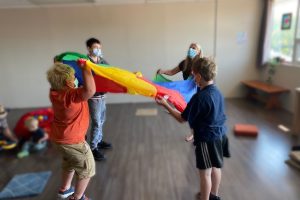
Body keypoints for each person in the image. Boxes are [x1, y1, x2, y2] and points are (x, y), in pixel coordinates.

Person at [156, 57, 226, 200]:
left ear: (199, 76)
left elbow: (182, 118)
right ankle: (214, 196)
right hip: (219, 136)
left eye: (194, 75)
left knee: (205, 174)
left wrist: (165, 104)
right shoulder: (218, 92)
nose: (193, 78)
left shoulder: (199, 97)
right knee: (215, 167)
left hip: (205, 140)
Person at [47, 60, 95, 200]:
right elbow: (90, 90)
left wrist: (58, 65)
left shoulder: (54, 93)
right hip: (74, 142)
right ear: (68, 83)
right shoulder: (72, 96)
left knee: (69, 163)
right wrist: (86, 69)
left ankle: (64, 189)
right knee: (87, 169)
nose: (76, 78)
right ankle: (78, 197)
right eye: (74, 77)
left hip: (59, 139)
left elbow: (59, 79)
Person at [157, 42, 203, 142]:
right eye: (191, 47)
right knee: (189, 112)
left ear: (199, 52)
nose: (192, 49)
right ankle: (193, 132)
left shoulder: (201, 63)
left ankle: (195, 133)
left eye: (194, 48)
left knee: (194, 113)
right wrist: (163, 71)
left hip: (196, 91)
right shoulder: (184, 63)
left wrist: (195, 75)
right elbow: (172, 72)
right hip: (185, 91)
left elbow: (205, 78)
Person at [86, 37, 112, 161]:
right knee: (96, 121)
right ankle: (93, 148)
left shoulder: (102, 61)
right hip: (93, 97)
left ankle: (99, 140)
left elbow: (112, 72)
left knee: (101, 119)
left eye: (99, 48)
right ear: (89, 48)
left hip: (102, 95)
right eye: (96, 47)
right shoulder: (85, 62)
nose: (98, 50)